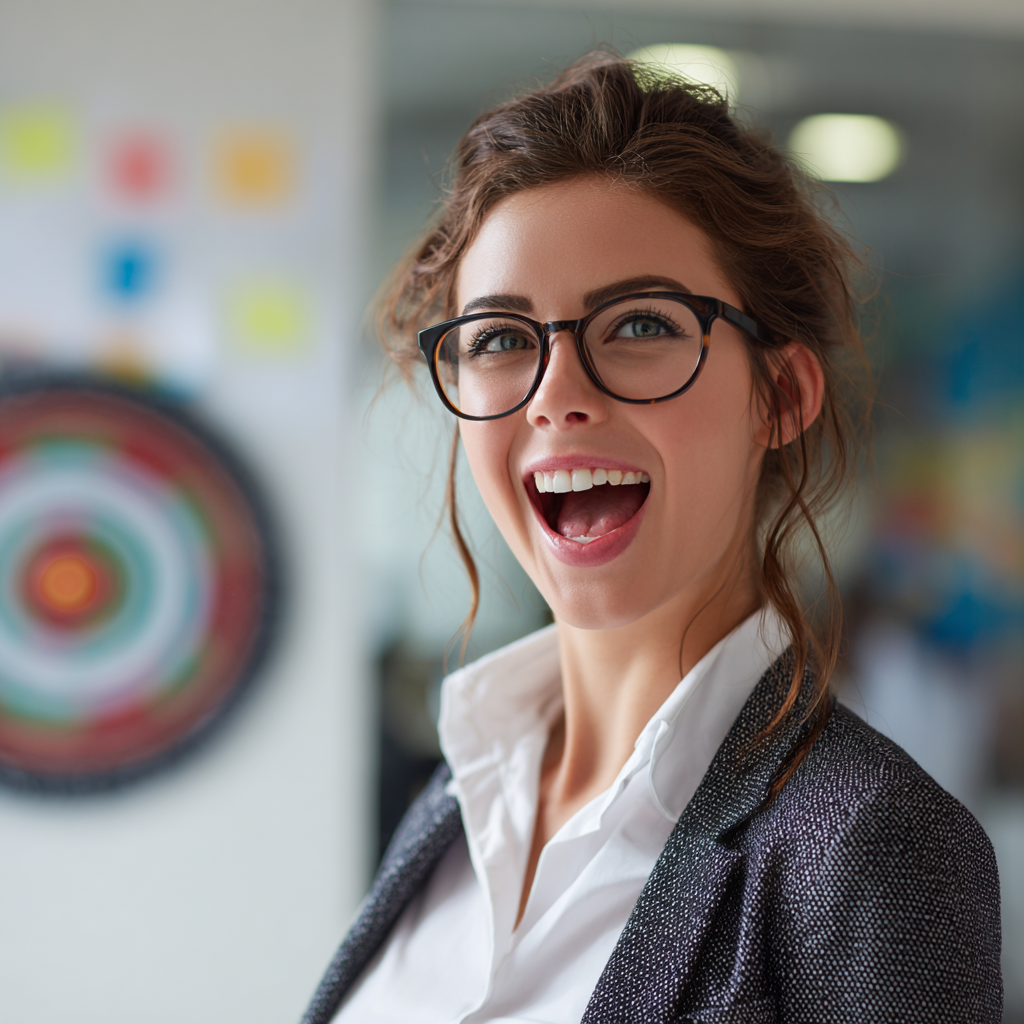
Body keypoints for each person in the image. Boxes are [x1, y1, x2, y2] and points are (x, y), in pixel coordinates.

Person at [303, 53, 1002, 1023]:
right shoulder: (456, 803)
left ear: (781, 395)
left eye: (637, 324)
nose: (557, 398)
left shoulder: (871, 844)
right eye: (501, 337)